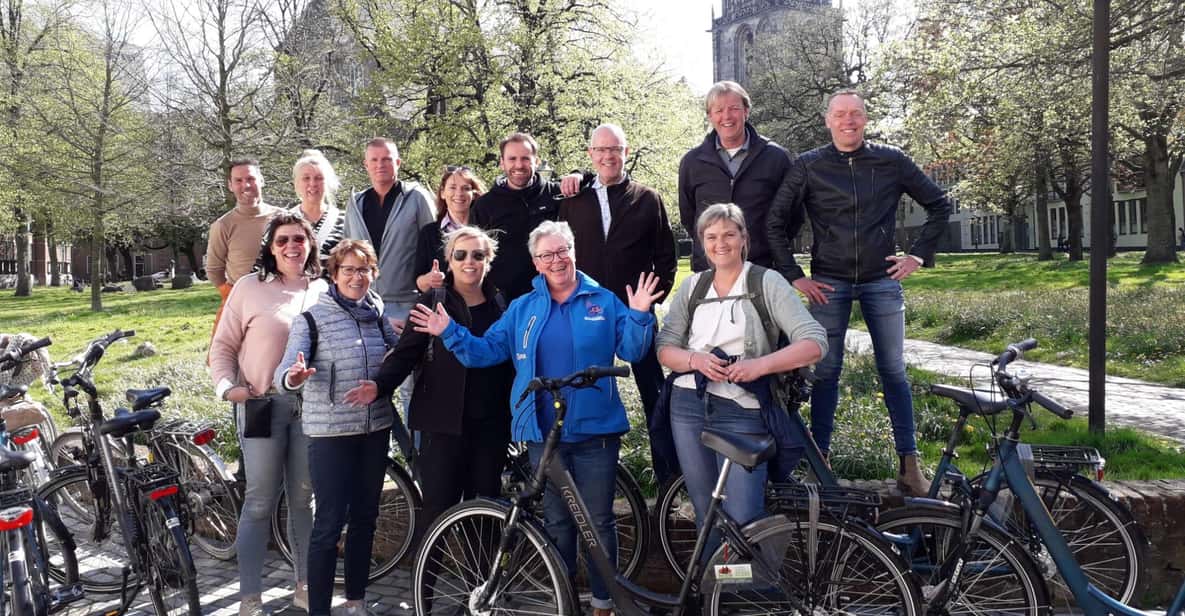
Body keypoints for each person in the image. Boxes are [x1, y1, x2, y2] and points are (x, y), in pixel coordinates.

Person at [409, 221, 663, 616]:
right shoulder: (522, 308)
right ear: (536, 262)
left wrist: (640, 315)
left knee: (598, 523)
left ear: (574, 251)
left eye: (562, 251)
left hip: (596, 431)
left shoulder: (603, 299)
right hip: (543, 433)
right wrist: (449, 331)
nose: (556, 260)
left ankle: (603, 602)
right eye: (547, 255)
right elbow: (483, 352)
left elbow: (632, 350)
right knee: (558, 524)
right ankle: (563, 603)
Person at [766, 89, 953, 496]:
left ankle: (909, 465)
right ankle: (822, 463)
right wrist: (795, 275)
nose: (848, 121)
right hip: (828, 282)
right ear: (827, 120)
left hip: (881, 280)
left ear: (865, 119)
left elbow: (940, 204)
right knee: (825, 371)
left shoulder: (891, 159)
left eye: (855, 114)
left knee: (894, 371)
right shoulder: (808, 165)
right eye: (840, 115)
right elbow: (774, 221)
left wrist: (918, 256)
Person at [656, 203, 826, 556]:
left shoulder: (767, 282)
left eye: (729, 234)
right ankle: (715, 597)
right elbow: (665, 349)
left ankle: (753, 598)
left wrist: (759, 366)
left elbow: (814, 343)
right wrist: (695, 360)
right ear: (702, 243)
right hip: (688, 407)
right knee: (706, 514)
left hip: (743, 410)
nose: (721, 243)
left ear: (744, 239)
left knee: (745, 519)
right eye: (712, 236)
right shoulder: (693, 287)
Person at [346, 227, 512, 545]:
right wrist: (380, 386)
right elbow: (407, 353)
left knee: (486, 508)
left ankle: (484, 588)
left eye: (478, 255)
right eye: (460, 254)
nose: (469, 262)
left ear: (488, 260)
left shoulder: (501, 304)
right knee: (437, 510)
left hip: (490, 424)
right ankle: (425, 590)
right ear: (448, 260)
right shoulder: (434, 300)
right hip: (441, 423)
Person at [273, 239, 398, 616]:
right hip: (330, 435)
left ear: (373, 273)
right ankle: (320, 610)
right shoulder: (311, 319)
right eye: (348, 270)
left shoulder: (377, 312)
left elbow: (397, 355)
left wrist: (408, 345)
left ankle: (356, 602)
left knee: (365, 519)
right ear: (334, 274)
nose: (357, 277)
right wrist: (294, 376)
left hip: (375, 429)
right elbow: (283, 374)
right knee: (328, 524)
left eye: (364, 270)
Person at [209, 212, 324, 615]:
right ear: (270, 248)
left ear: (310, 244)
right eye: (282, 241)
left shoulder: (324, 288)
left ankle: (305, 585)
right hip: (260, 406)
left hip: (311, 410)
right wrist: (228, 388)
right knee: (258, 501)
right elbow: (222, 347)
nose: (292, 247)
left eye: (299, 239)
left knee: (303, 500)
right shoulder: (249, 287)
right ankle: (250, 596)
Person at [559, 122, 678, 483]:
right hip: (586, 311)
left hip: (634, 311)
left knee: (653, 393)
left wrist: (650, 299)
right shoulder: (571, 199)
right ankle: (587, 475)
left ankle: (670, 476)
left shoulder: (647, 198)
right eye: (601, 150)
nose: (608, 156)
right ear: (591, 154)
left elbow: (666, 257)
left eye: (615, 149)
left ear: (626, 152)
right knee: (582, 388)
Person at [342, 137, 435, 447]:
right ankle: (386, 454)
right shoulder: (356, 203)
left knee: (411, 387)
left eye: (387, 159)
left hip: (406, 304)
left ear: (398, 162)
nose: (380, 165)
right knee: (365, 382)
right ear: (365, 164)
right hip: (363, 307)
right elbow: (346, 253)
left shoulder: (416, 198)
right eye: (374, 160)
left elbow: (432, 245)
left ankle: (419, 460)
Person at [678, 81, 791, 272]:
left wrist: (765, 245)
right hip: (709, 269)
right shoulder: (692, 162)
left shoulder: (776, 157)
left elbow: (792, 214)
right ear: (710, 116)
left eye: (734, 108)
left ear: (746, 111)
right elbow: (689, 217)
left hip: (762, 268)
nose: (726, 116)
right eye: (719, 110)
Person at [470, 132, 587, 300]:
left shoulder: (556, 194)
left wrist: (578, 174)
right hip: (506, 303)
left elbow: (596, 180)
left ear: (536, 161)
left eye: (525, 158)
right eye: (512, 159)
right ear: (502, 163)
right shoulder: (484, 206)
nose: (519, 165)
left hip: (556, 297)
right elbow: (475, 256)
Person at [206, 159, 280, 337]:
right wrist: (231, 296)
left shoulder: (283, 218)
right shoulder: (223, 225)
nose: (245, 185)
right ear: (230, 185)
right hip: (243, 308)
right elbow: (214, 269)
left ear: (261, 180)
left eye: (251, 179)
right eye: (238, 180)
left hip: (281, 302)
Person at [413, 166, 487, 293]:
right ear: (442, 193)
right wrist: (430, 279)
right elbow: (418, 282)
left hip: (482, 306)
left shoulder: (486, 229)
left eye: (466, 188)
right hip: (444, 307)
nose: (459, 193)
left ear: (474, 194)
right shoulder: (429, 233)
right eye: (452, 187)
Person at [290, 149, 346, 265]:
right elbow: (266, 263)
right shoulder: (283, 220)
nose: (313, 184)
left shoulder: (345, 220)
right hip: (292, 283)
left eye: (319, 178)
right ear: (296, 183)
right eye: (306, 178)